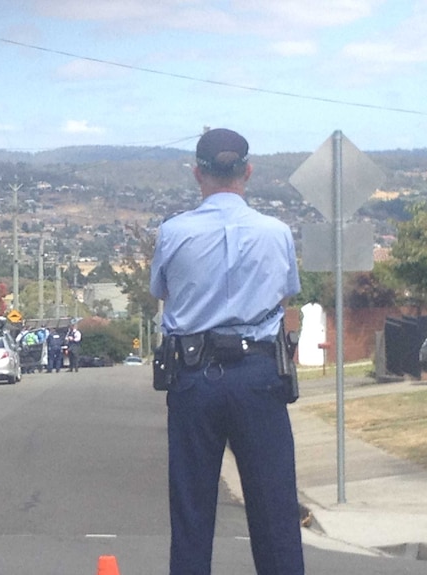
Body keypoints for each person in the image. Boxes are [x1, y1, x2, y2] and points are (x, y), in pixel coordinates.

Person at [150, 128, 304, 575]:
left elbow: (161, 289)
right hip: (259, 374)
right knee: (275, 510)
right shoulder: (276, 233)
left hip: (194, 376)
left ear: (197, 173)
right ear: (248, 172)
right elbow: (285, 293)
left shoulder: (173, 233)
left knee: (192, 511)